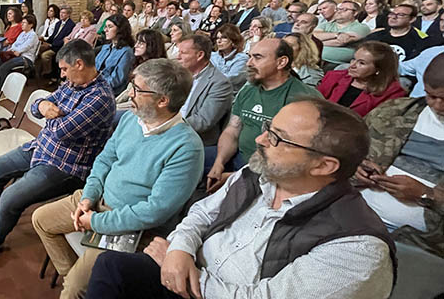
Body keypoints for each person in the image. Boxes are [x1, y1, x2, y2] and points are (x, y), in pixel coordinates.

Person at [87, 98, 396, 299]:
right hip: (189, 272)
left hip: (209, 289)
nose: (261, 140)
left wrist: (189, 275)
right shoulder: (259, 172)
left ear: (323, 165)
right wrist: (180, 249)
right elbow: (201, 213)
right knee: (110, 267)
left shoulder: (357, 245)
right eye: (267, 129)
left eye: (278, 139)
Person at [32, 59, 203, 299]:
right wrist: (89, 197)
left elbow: (154, 211)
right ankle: (83, 280)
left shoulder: (187, 147)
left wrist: (97, 222)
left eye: (137, 89)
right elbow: (104, 159)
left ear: (163, 100)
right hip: (97, 200)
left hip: (129, 224)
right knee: (41, 220)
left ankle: (80, 284)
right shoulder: (132, 119)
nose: (129, 93)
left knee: (71, 291)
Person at [0, 40, 116, 260]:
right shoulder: (73, 84)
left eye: (64, 69)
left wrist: (51, 114)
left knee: (10, 198)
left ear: (79, 64)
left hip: (66, 166)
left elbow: (62, 131)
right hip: (41, 147)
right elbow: (38, 107)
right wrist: (43, 106)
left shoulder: (100, 97)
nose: (62, 75)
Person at [206, 38, 320, 192]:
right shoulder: (249, 90)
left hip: (270, 172)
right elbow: (233, 130)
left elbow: (294, 157)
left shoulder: (303, 99)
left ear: (281, 62)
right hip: (237, 157)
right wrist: (219, 162)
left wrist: (238, 176)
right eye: (250, 57)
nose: (249, 63)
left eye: (257, 57)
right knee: (189, 156)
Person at [358, 53, 444, 257]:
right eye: (431, 96)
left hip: (422, 244)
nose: (438, 106)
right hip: (351, 214)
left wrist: (426, 194)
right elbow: (343, 153)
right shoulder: (394, 112)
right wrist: (355, 167)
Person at [318, 41, 406, 117]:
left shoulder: (392, 92)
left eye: (361, 63)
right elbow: (315, 103)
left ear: (378, 69)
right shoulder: (334, 76)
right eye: (353, 59)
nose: (352, 65)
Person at [177, 35, 234, 146]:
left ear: (200, 55)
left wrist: (168, 126)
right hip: (170, 132)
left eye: (183, 53)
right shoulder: (177, 74)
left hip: (194, 141)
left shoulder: (220, 83)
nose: (178, 57)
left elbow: (203, 121)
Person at [0, 14, 40, 94]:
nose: (22, 25)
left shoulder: (33, 35)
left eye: (24, 23)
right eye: (22, 23)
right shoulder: (22, 33)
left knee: (4, 67)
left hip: (26, 58)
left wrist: (17, 51)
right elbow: (15, 44)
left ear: (31, 25)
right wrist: (12, 51)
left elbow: (25, 47)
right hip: (15, 55)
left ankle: (3, 91)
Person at [314, 0, 371, 68]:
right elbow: (313, 36)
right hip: (313, 59)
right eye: (338, 9)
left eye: (344, 9)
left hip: (336, 64)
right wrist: (337, 35)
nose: (339, 11)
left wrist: (317, 42)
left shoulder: (361, 27)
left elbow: (341, 42)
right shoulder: (325, 25)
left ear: (355, 12)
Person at [95, 14, 136, 96]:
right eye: (105, 26)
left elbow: (116, 80)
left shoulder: (126, 52)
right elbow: (95, 68)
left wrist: (95, 85)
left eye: (109, 27)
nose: (105, 30)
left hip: (110, 92)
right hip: (96, 85)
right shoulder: (105, 47)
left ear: (120, 29)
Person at [36, 6, 77, 79]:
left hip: (59, 47)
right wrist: (45, 41)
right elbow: (53, 36)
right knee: (37, 50)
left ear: (68, 15)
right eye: (61, 12)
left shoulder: (71, 25)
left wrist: (51, 45)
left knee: (45, 55)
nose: (61, 14)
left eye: (64, 13)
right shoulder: (58, 23)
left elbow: (64, 40)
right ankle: (37, 72)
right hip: (53, 44)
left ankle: (48, 72)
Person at [211, 24, 249, 92]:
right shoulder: (212, 56)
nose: (219, 41)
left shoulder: (242, 59)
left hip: (229, 95)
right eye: (217, 38)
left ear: (233, 40)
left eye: (224, 38)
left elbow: (228, 80)